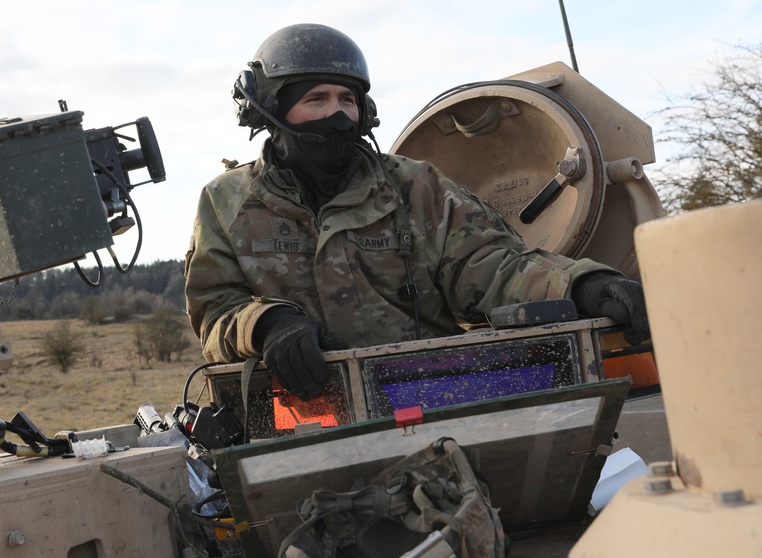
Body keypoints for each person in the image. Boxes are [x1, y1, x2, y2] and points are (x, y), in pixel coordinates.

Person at [184, 23, 649, 400]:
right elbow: (215, 311)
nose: (337, 115)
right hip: (301, 412)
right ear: (271, 111)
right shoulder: (226, 203)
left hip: (427, 398)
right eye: (316, 99)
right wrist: (267, 326)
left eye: (348, 99)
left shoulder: (414, 186)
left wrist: (585, 283)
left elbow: (492, 268)